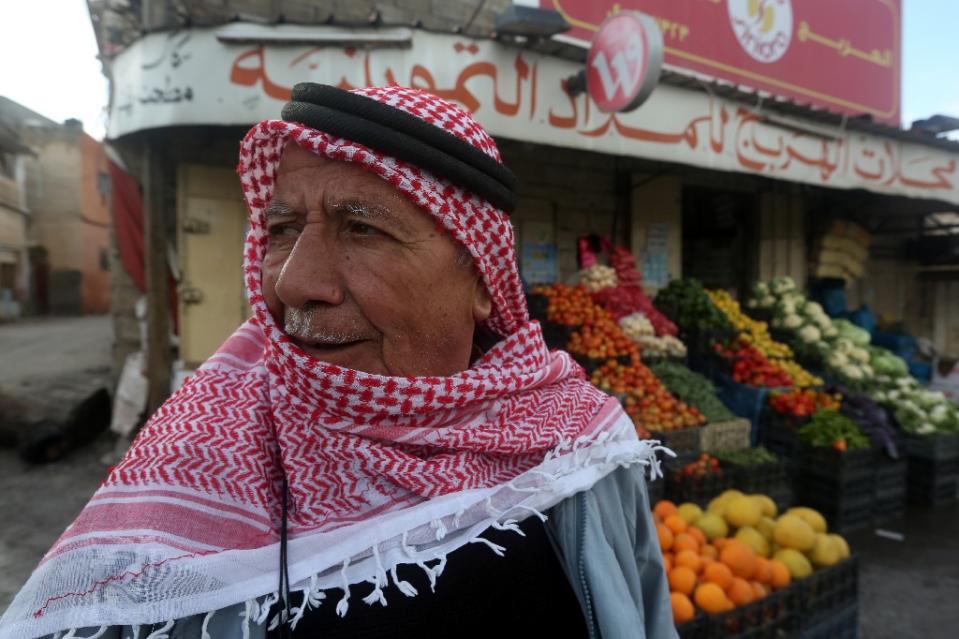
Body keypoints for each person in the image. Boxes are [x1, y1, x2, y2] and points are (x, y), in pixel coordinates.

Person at [0, 84, 675, 639]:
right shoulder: (195, 455)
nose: (294, 283)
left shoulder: (578, 446)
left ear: (481, 279)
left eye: (362, 228)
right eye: (281, 230)